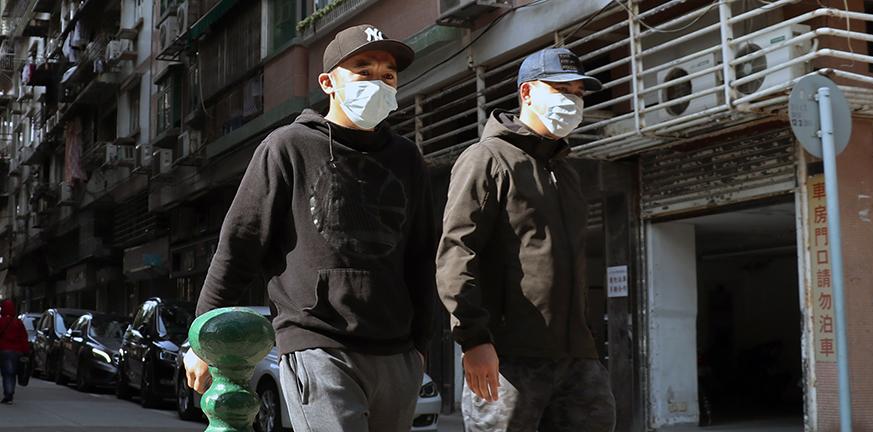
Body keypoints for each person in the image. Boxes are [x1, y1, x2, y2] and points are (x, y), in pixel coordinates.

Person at [184, 24, 436, 432]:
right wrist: (203, 341)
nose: (378, 82)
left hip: (397, 355)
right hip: (318, 345)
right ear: (328, 82)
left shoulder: (408, 159)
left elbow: (422, 258)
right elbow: (238, 246)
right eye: (363, 71)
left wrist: (420, 346)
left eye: (388, 75)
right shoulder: (288, 147)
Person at [436, 47, 616, 431]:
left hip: (577, 356)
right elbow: (457, 251)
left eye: (579, 93)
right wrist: (474, 339)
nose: (573, 100)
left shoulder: (566, 171)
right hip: (509, 355)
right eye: (562, 89)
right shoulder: (487, 158)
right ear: (528, 93)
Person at [0, 299, 29, 405]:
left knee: (6, 373)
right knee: (12, 373)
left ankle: (8, 394)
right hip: (17, 351)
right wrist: (26, 351)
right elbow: (23, 337)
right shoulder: (18, 323)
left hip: (4, 350)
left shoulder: (1, 321)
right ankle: (10, 393)